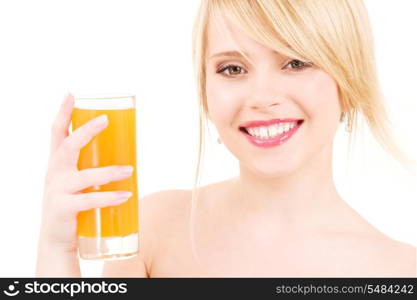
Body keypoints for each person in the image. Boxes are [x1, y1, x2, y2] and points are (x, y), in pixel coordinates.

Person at [36, 0, 416, 277]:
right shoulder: (152, 230)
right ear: (205, 92)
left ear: (349, 81)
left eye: (296, 62)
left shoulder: (402, 271)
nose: (262, 97)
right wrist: (57, 253)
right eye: (232, 68)